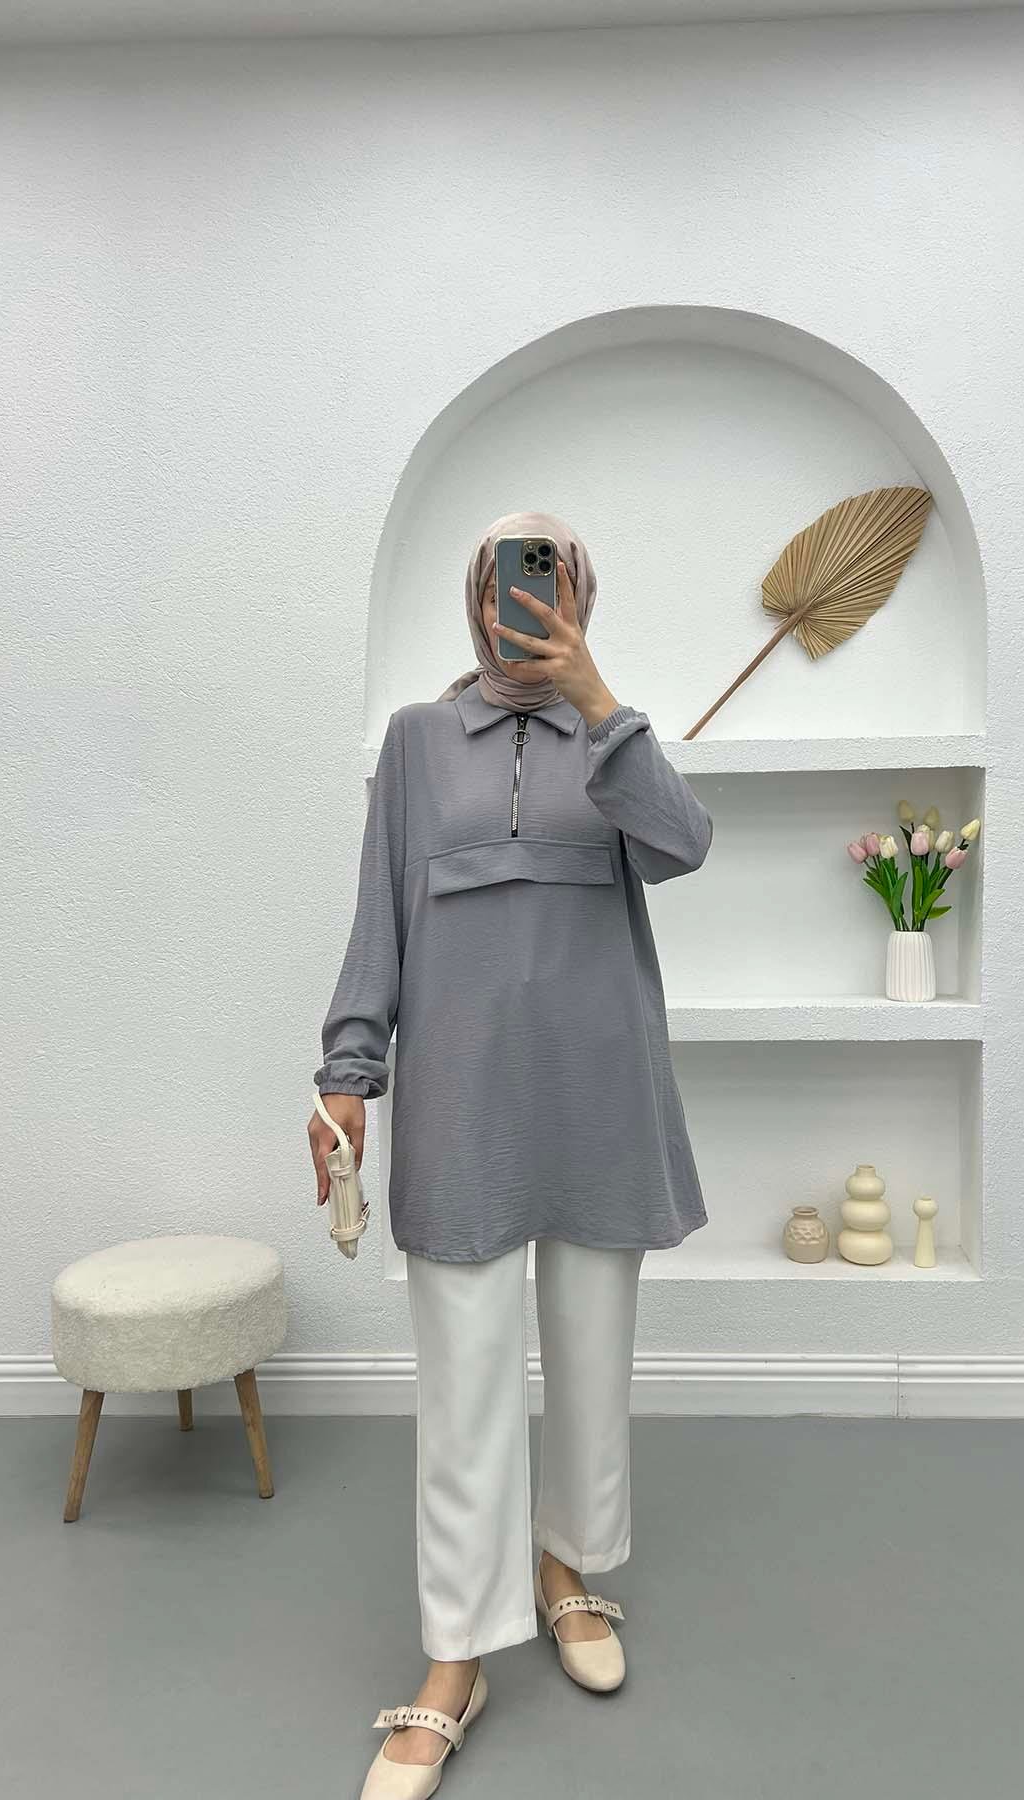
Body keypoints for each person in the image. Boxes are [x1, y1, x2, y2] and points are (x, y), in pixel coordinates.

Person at [308, 510, 712, 1800]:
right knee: (466, 1381)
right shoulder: (417, 743)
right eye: (501, 583)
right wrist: (347, 1076)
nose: (519, 605)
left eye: (546, 583)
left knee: (592, 1356)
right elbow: (380, 916)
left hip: (599, 1092)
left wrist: (595, 696)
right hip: (462, 1100)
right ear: (473, 599)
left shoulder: (614, 737)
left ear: (579, 598)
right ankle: (455, 1658)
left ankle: (564, 1568)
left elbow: (684, 847)